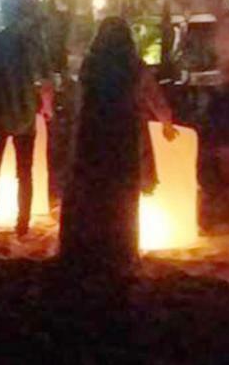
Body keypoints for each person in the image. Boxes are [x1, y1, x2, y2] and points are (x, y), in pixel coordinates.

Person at [59, 17, 175, 274]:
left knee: (93, 192)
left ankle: (88, 248)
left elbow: (79, 102)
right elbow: (154, 97)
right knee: (122, 195)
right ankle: (120, 250)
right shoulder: (134, 66)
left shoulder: (91, 65)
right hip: (123, 135)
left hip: (93, 136)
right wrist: (166, 122)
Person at [0, 0, 54, 237]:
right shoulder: (34, 44)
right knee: (24, 172)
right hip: (24, 111)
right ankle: (22, 225)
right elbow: (46, 80)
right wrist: (47, 107)